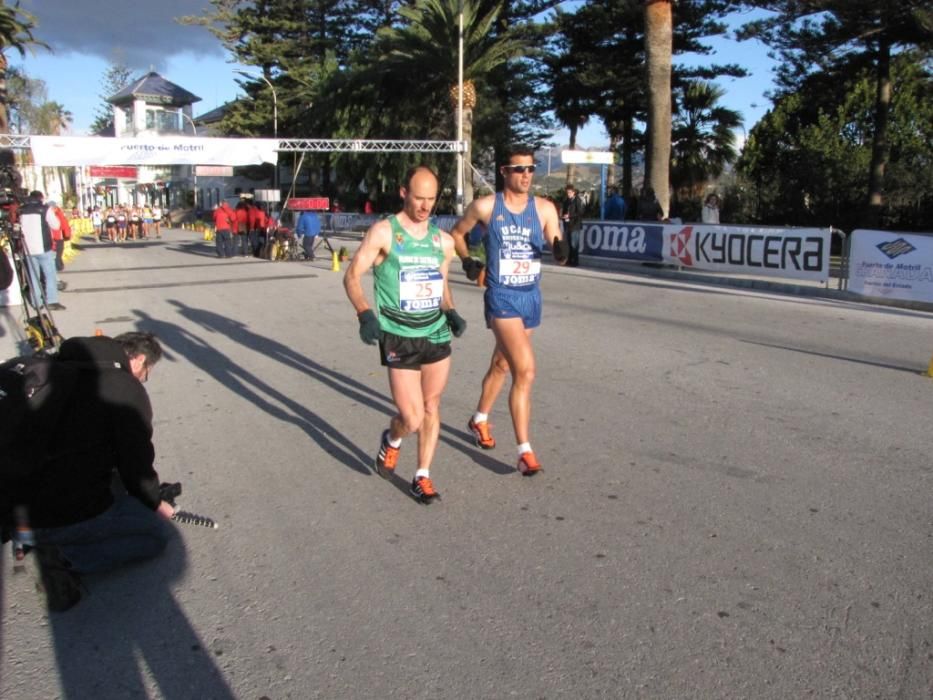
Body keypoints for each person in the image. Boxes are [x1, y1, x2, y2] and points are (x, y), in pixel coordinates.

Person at [4, 332, 176, 611]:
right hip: (57, 512)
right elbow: (136, 466)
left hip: (13, 504)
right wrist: (155, 502)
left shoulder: (54, 366)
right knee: (155, 536)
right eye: (147, 373)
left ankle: (36, 535)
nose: (144, 379)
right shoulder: (123, 389)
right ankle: (65, 556)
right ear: (139, 359)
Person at [343, 164, 466, 504]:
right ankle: (392, 439)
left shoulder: (442, 241)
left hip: (435, 332)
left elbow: (440, 283)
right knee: (410, 417)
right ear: (403, 193)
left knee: (431, 405)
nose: (426, 206)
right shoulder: (384, 233)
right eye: (418, 198)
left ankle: (422, 475)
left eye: (431, 199)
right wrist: (365, 314)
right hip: (398, 334)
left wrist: (451, 311)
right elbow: (351, 276)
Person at [450, 145, 567, 477]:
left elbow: (558, 246)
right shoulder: (486, 207)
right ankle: (524, 451)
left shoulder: (545, 209)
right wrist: (469, 261)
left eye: (530, 169)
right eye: (518, 169)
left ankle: (479, 419)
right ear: (503, 171)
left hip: (531, 296)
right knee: (525, 370)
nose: (526, 175)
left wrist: (562, 250)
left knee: (503, 363)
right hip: (502, 296)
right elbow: (457, 235)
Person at [19, 190, 65, 311]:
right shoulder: (45, 209)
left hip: (27, 248)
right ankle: (52, 301)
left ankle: (36, 302)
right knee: (49, 275)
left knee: (34, 276)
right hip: (44, 247)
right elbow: (56, 225)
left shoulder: (21, 209)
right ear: (41, 198)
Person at [560, 184, 585, 266]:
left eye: (570, 192)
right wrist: (563, 217)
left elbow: (580, 212)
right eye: (567, 192)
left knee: (574, 244)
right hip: (567, 225)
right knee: (568, 244)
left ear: (574, 192)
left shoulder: (577, 200)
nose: (568, 194)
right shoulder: (566, 201)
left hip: (575, 225)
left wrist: (570, 216)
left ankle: (575, 261)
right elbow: (564, 211)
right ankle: (569, 260)